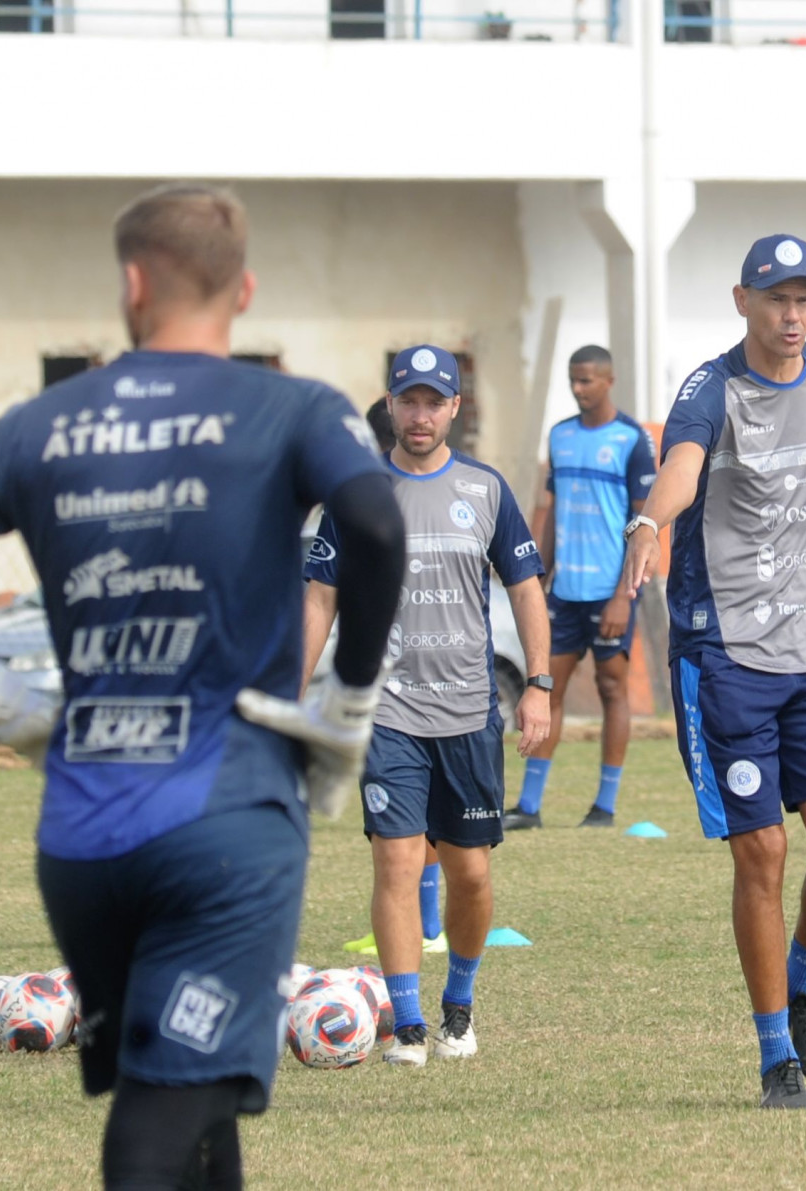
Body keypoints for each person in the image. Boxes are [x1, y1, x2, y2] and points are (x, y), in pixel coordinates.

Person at [0, 184, 405, 1190]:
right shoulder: (290, 409)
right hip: (223, 826)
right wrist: (348, 699)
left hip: (81, 833)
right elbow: (375, 526)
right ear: (245, 291)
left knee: (203, 1103)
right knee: (160, 1119)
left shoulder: (43, 426)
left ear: (131, 284)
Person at [620, 234, 806, 1110]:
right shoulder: (710, 387)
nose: (793, 314)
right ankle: (775, 1057)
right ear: (743, 301)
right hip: (725, 653)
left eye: (805, 297)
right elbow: (681, 473)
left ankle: (801, 985)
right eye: (776, 298)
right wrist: (651, 526)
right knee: (763, 849)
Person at [301, 345, 552, 1065]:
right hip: (386, 710)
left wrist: (537, 684)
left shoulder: (486, 489)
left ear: (453, 408)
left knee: (470, 872)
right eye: (406, 400)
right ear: (388, 404)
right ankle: (407, 1023)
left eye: (432, 401)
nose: (418, 414)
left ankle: (459, 1004)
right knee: (397, 862)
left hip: (470, 712)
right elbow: (319, 597)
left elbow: (525, 586)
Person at [503, 344, 656, 830]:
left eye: (587, 379)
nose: (578, 387)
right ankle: (529, 806)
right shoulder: (561, 436)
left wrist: (621, 594)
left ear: (609, 381)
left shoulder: (631, 439)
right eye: (573, 379)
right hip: (564, 591)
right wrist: (537, 573)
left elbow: (643, 522)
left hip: (610, 590)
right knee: (547, 688)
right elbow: (549, 513)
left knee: (613, 688)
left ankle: (605, 807)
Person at [343, 398, 449, 956]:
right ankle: (426, 924)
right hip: (416, 686)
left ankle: (426, 924)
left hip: (405, 684)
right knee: (411, 818)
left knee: (407, 823)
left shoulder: (384, 500)